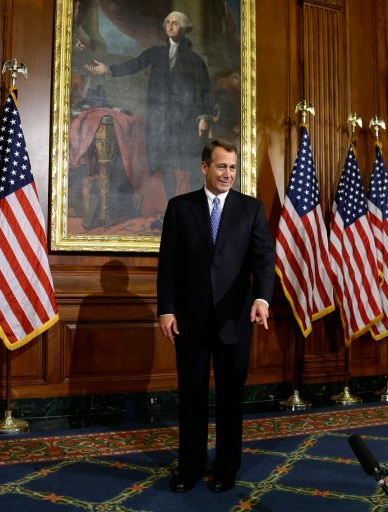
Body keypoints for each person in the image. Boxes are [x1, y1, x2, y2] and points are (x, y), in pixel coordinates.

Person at [157, 139, 275, 493]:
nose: (228, 174)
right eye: (222, 166)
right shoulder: (180, 208)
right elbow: (168, 265)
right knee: (191, 396)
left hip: (234, 321)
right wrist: (166, 309)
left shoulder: (251, 209)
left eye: (233, 168)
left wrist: (262, 299)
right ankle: (190, 467)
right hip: (190, 321)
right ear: (204, 167)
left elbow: (264, 260)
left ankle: (226, 467)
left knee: (229, 399)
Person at [85, 11, 212, 199]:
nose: (170, 26)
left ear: (184, 29)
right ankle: (172, 208)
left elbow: (205, 90)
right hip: (161, 120)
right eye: (167, 22)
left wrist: (204, 118)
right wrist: (108, 69)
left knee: (190, 165)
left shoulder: (195, 60)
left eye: (175, 23)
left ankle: (195, 208)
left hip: (184, 122)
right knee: (165, 166)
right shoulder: (156, 53)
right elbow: (135, 64)